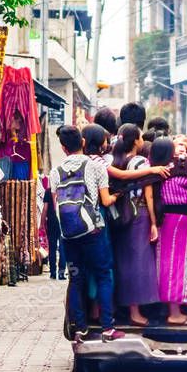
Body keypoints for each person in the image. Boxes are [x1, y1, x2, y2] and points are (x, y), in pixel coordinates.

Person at [51, 125, 124, 342]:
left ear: (63, 148)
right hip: (93, 231)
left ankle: (80, 329)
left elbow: (57, 204)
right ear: (82, 143)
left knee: (75, 279)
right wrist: (118, 195)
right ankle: (107, 328)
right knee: (103, 275)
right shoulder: (95, 167)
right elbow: (106, 200)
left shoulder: (55, 172)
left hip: (69, 235)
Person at [109, 124, 159, 325]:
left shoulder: (117, 161)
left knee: (125, 262)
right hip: (140, 214)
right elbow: (148, 194)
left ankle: (127, 308)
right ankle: (135, 312)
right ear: (136, 141)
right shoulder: (141, 162)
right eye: (140, 137)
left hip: (122, 214)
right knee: (139, 263)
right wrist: (154, 223)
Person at [149, 137, 187, 325]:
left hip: (165, 220)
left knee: (166, 263)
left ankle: (169, 308)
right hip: (181, 219)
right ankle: (175, 313)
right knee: (179, 263)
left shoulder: (155, 170)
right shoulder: (177, 173)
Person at [42, 178, 65, 279]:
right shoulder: (64, 190)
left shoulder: (48, 191)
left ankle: (52, 272)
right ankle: (61, 273)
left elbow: (45, 208)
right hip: (62, 221)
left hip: (51, 222)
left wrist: (42, 222)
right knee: (62, 247)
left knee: (52, 247)